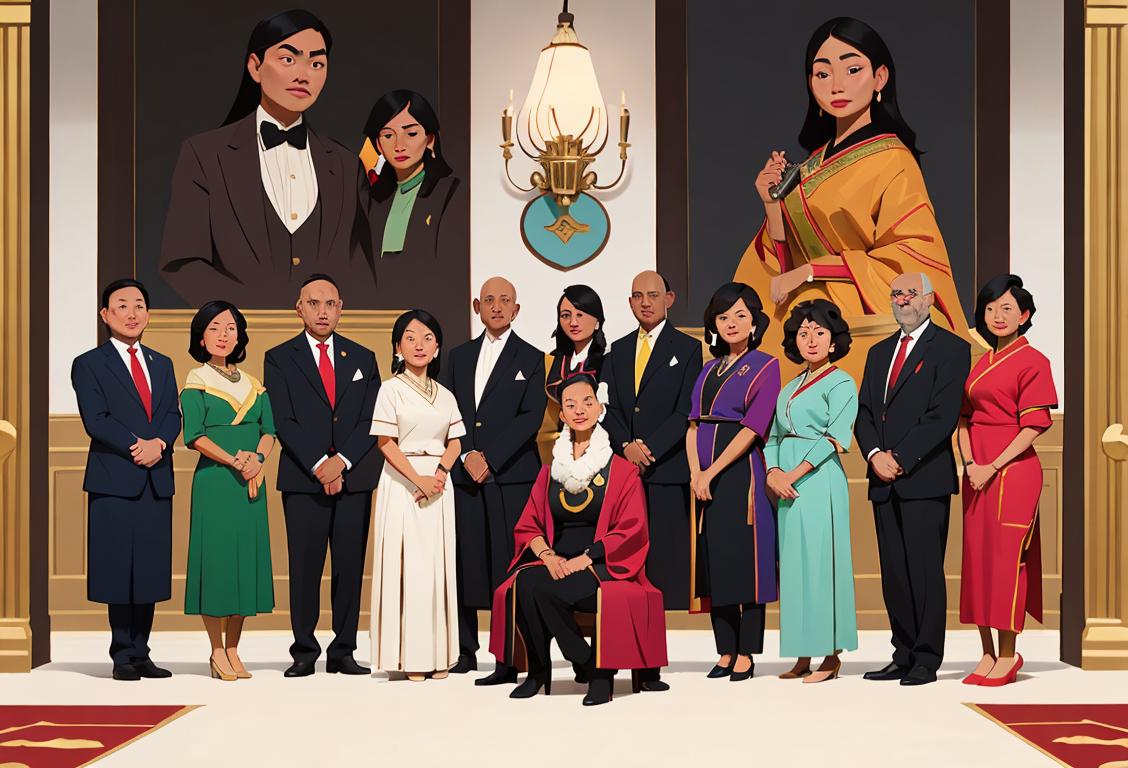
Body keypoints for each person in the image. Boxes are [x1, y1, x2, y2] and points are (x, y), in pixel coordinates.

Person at [735, 16, 973, 382]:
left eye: (853, 69)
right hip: (807, 309)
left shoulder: (893, 158)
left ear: (880, 78)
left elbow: (909, 256)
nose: (837, 85)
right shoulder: (811, 164)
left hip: (860, 307)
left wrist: (814, 269)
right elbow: (785, 263)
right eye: (823, 74)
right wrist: (771, 204)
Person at [160, 10, 370, 308]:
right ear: (255, 67)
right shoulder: (204, 154)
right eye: (288, 59)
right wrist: (246, 316)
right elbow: (181, 262)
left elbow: (362, 266)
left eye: (317, 63)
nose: (303, 74)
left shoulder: (347, 165)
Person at [487, 373, 668, 706]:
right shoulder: (549, 471)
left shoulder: (623, 470)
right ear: (562, 414)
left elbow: (632, 529)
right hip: (556, 560)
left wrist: (584, 558)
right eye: (570, 404)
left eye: (588, 401)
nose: (579, 409)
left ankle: (596, 672)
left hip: (600, 563)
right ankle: (550, 671)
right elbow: (528, 524)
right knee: (526, 582)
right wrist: (549, 558)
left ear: (600, 409)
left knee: (540, 588)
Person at [263, 274, 383, 677]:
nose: (322, 311)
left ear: (341, 307)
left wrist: (342, 461)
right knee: (305, 566)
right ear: (299, 309)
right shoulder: (279, 357)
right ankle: (304, 651)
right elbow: (283, 419)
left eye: (330, 304)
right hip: (303, 479)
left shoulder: (363, 357)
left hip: (354, 479)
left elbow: (371, 418)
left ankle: (344, 649)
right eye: (313, 303)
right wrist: (319, 463)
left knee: (349, 566)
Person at [854, 273, 970, 686]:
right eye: (896, 293)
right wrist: (873, 456)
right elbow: (865, 412)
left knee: (923, 570)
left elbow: (941, 417)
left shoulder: (953, 349)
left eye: (910, 293)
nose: (902, 299)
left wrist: (899, 458)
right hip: (882, 479)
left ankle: (926, 657)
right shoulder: (879, 351)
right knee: (894, 572)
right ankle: (901, 653)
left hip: (924, 477)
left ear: (930, 300)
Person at [70, 279, 181, 680]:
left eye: (139, 305)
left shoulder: (162, 363)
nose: (132, 313)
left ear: (148, 314)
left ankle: (143, 652)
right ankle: (122, 653)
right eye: (122, 306)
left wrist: (161, 445)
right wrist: (139, 445)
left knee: (149, 569)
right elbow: (95, 420)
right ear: (106, 315)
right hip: (114, 477)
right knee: (118, 569)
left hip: (155, 477)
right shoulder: (88, 363)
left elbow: (173, 416)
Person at [437, 277, 547, 680]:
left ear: (516, 309)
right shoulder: (458, 356)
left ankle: (511, 655)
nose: (497, 306)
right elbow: (449, 413)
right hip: (465, 475)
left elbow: (530, 419)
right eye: (489, 300)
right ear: (476, 306)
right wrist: (466, 454)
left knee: (510, 566)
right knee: (465, 562)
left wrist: (491, 458)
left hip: (512, 478)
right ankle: (465, 650)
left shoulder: (533, 358)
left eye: (505, 300)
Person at [600, 270, 702, 691]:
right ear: (629, 302)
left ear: (670, 298)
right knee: (624, 567)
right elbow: (608, 408)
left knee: (658, 572)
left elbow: (686, 410)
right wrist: (626, 446)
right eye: (638, 296)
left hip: (666, 472)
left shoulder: (688, 348)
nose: (646, 302)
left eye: (654, 295)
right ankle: (618, 656)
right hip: (625, 474)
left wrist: (651, 449)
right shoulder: (617, 350)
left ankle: (650, 666)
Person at [957, 274, 1056, 687]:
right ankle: (985, 651)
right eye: (991, 308)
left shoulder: (1035, 361)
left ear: (1025, 315)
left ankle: (1009, 654)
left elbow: (1033, 426)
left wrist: (990, 465)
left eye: (1008, 308)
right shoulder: (980, 363)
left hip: (1012, 470)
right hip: (975, 468)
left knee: (1007, 561)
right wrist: (967, 461)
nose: (998, 316)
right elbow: (963, 419)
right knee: (977, 559)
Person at [686, 283, 781, 682]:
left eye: (741, 315)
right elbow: (693, 424)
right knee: (715, 559)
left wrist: (712, 471)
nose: (731, 323)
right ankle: (724, 649)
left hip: (739, 472)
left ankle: (746, 650)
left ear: (755, 321)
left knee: (745, 558)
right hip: (702, 475)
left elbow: (753, 428)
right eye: (723, 317)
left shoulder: (766, 365)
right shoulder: (708, 369)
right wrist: (695, 472)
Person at [181, 301, 277, 681]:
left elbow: (269, 431)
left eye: (232, 327)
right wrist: (235, 461)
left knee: (244, 564)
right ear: (201, 337)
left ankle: (235, 647)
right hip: (216, 483)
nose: (224, 334)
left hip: (251, 481)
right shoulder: (196, 378)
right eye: (215, 327)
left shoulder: (254, 383)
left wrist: (257, 459)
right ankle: (215, 649)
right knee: (217, 563)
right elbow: (195, 436)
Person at [766, 299, 859, 683]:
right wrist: (773, 471)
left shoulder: (842, 382)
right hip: (786, 483)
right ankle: (802, 653)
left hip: (819, 482)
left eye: (820, 332)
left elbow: (835, 436)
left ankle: (831, 655)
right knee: (795, 568)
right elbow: (773, 435)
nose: (811, 339)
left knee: (822, 565)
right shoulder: (788, 388)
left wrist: (794, 472)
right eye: (803, 333)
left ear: (834, 341)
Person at [370, 310, 464, 680]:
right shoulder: (390, 389)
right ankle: (409, 658)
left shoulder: (445, 394)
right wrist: (417, 480)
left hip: (439, 485)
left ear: (438, 346)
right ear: (397, 346)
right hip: (401, 483)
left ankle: (438, 655)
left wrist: (439, 473)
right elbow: (385, 442)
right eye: (410, 338)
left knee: (437, 567)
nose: (419, 345)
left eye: (428, 338)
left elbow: (455, 441)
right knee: (406, 566)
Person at [357, 90, 468, 345]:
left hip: (430, 324)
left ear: (430, 139)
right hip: (378, 323)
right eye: (388, 135)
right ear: (377, 143)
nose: (399, 145)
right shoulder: (372, 199)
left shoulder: (450, 191)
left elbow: (448, 274)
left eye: (411, 133)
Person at [545, 285, 607, 404]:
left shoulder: (608, 361)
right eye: (566, 315)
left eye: (580, 315)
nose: (573, 323)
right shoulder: (552, 361)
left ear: (597, 322)